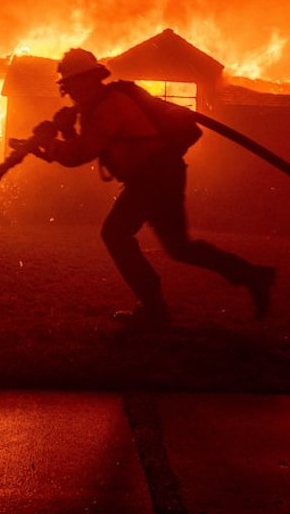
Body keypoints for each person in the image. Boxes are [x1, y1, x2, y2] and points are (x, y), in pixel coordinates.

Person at [33, 48, 276, 329]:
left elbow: (80, 154)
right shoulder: (100, 105)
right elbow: (84, 146)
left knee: (115, 234)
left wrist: (49, 143)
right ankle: (253, 276)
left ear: (88, 80)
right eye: (67, 86)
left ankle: (153, 308)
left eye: (72, 84)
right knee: (179, 247)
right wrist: (65, 132)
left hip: (153, 177)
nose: (70, 92)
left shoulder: (108, 107)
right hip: (159, 175)